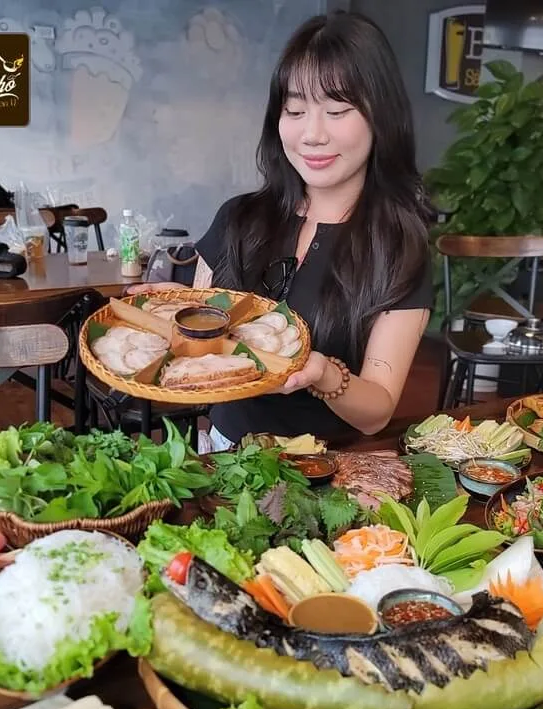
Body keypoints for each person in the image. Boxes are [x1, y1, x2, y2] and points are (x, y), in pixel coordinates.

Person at [129, 11, 433, 449]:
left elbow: (377, 411)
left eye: (336, 110)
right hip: (225, 453)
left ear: (380, 116)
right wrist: (170, 319)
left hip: (328, 468)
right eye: (295, 110)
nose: (312, 134)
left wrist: (322, 373)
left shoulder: (398, 247)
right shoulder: (238, 219)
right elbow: (200, 347)